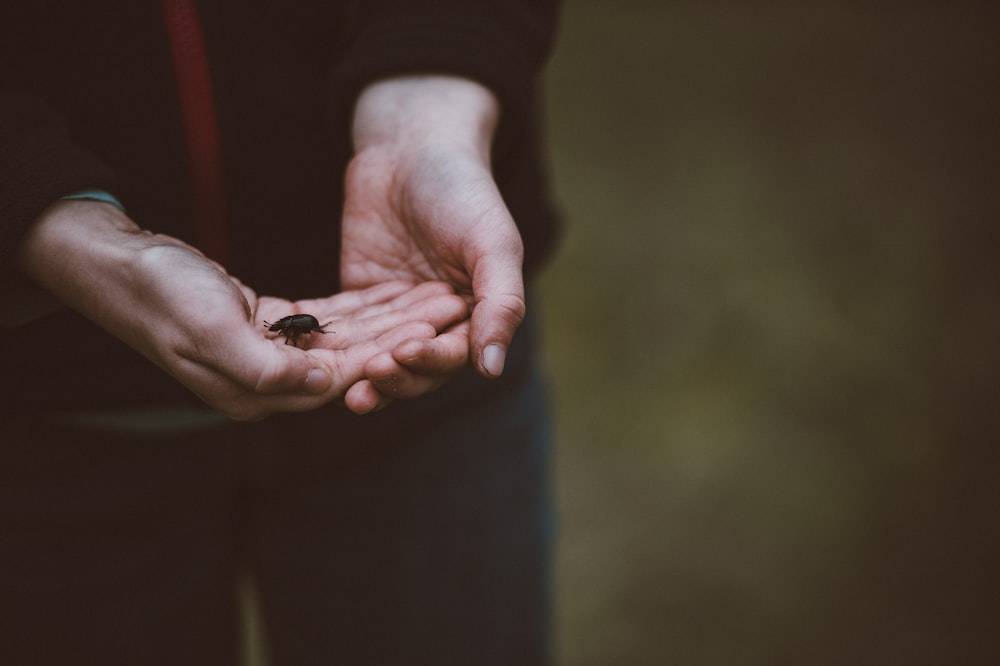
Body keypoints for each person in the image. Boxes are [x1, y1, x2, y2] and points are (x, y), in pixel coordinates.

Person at [0, 1, 561, 664]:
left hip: (425, 352)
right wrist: (37, 204)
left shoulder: (320, 327)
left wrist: (431, 92)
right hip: (43, 412)